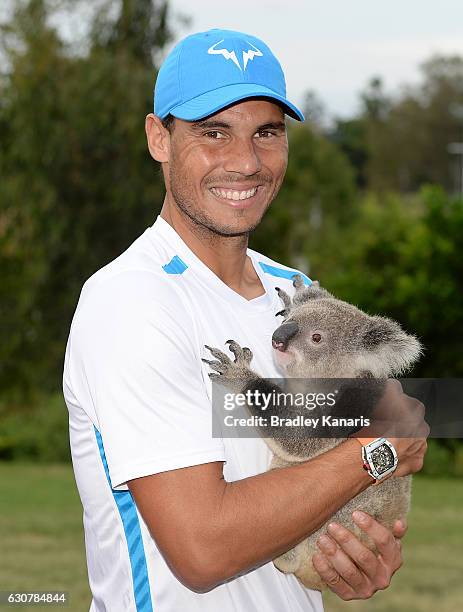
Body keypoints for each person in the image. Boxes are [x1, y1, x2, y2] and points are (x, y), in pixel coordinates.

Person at [63, 28, 428, 612]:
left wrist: (359, 548)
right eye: (213, 132)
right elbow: (203, 551)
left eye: (267, 133)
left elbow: (384, 429)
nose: (245, 162)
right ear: (159, 138)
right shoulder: (129, 300)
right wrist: (376, 454)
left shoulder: (299, 294)